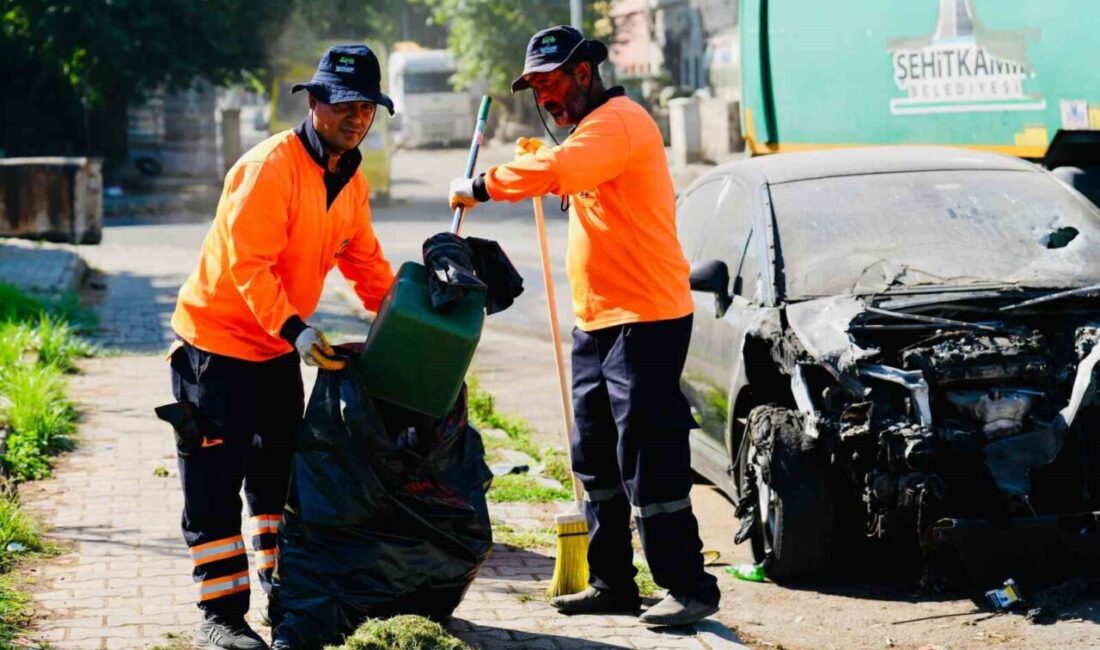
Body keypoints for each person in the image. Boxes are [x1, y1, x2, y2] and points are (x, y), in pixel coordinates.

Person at [449, 25, 720, 626]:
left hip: (646, 317)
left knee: (648, 456)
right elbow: (558, 167)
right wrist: (534, 163)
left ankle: (689, 586)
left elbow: (562, 169)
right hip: (597, 319)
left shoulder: (619, 122)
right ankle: (612, 582)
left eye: (552, 82)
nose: (545, 97)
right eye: (536, 88)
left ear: (583, 73)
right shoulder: (585, 134)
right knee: (593, 453)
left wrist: (482, 185)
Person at [165, 45, 395, 649]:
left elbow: (365, 261)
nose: (356, 116)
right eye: (344, 104)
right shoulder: (271, 166)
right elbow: (249, 266)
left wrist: (408, 318)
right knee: (214, 487)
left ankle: (283, 594)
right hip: (216, 349)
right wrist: (298, 333)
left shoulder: (349, 179)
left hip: (271, 352)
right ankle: (220, 617)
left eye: (366, 107)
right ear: (314, 102)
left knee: (277, 484)